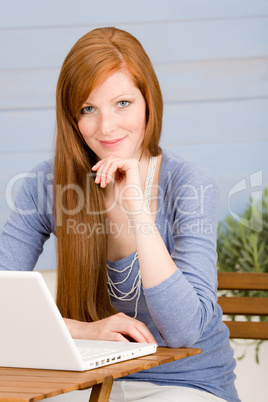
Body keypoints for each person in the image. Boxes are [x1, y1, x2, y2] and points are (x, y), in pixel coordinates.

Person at [0, 27, 240, 401]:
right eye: (88, 109)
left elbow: (184, 330)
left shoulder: (191, 184)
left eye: (123, 103)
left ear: (149, 101)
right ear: (72, 118)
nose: (106, 127)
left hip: (185, 384)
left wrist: (138, 210)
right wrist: (82, 330)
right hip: (90, 380)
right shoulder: (46, 184)